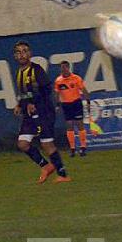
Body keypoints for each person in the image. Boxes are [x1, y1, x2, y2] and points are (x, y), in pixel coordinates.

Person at [11, 41, 71, 184]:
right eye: (18, 52)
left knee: (47, 144)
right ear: (15, 56)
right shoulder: (19, 72)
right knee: (22, 143)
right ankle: (46, 166)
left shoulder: (36, 70)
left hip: (44, 112)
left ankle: (63, 174)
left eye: (24, 51)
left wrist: (33, 103)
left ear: (30, 54)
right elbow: (25, 92)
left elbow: (46, 89)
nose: (22, 54)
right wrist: (20, 104)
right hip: (29, 114)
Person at [53, 60, 89, 157]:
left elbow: (83, 89)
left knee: (79, 124)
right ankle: (72, 149)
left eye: (65, 67)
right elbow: (57, 93)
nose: (63, 69)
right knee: (69, 125)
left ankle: (83, 147)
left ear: (68, 68)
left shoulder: (76, 78)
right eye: (61, 67)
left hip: (76, 103)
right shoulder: (58, 80)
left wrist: (87, 101)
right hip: (66, 104)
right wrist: (57, 104)